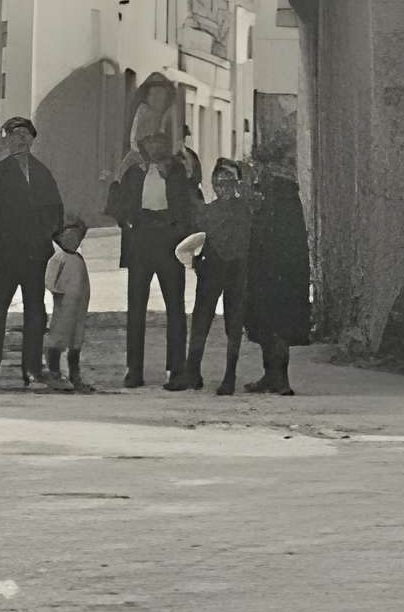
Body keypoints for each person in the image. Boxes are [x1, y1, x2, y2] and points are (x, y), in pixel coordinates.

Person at [105, 74, 204, 390]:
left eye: (160, 140)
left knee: (175, 308)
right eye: (150, 141)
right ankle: (134, 370)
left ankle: (176, 370)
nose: (155, 145)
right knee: (136, 309)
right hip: (141, 239)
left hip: (170, 241)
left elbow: (193, 202)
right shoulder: (132, 167)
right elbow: (115, 204)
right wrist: (128, 218)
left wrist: (183, 235)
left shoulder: (181, 165)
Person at [0, 116, 68, 386]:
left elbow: (55, 210)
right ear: (7, 140)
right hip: (6, 252)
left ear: (33, 140)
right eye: (15, 135)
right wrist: (1, 232)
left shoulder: (42, 172)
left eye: (26, 135)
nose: (20, 139)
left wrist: (45, 233)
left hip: (35, 253)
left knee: (36, 309)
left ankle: (32, 368)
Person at [186, 156, 255, 399]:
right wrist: (195, 259)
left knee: (233, 324)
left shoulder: (246, 210)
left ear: (237, 183)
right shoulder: (209, 212)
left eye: (228, 180)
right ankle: (192, 371)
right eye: (219, 180)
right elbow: (194, 239)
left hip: (237, 270)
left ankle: (230, 375)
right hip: (212, 269)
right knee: (201, 319)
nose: (223, 185)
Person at [242, 172, 312, 396]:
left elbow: (290, 251)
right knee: (266, 328)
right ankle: (271, 375)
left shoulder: (285, 212)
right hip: (265, 278)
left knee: (279, 329)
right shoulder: (272, 211)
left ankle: (280, 378)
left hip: (281, 282)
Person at [41, 217, 95, 392]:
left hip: (78, 307)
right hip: (64, 305)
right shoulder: (59, 257)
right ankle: (54, 372)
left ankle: (75, 373)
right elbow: (49, 279)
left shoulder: (78, 258)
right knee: (59, 336)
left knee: (76, 340)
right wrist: (57, 291)